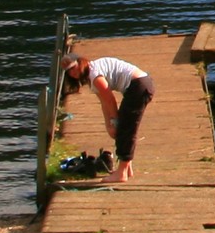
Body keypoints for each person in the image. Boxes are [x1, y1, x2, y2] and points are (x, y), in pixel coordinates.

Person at [63, 50, 154, 181]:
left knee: (126, 129)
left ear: (80, 62)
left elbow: (110, 100)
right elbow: (103, 101)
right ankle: (127, 169)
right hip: (139, 85)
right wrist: (109, 125)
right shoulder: (92, 75)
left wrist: (115, 121)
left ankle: (121, 173)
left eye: (73, 67)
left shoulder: (94, 74)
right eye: (69, 72)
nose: (73, 72)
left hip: (139, 85)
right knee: (125, 128)